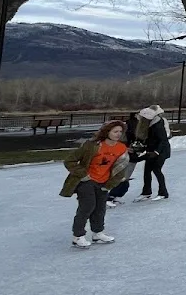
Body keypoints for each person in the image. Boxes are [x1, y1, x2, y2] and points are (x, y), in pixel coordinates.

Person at [62, 120, 129, 248]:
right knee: (87, 207)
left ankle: (97, 233)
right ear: (107, 132)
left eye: (120, 131)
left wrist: (110, 184)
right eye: (115, 131)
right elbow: (69, 161)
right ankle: (78, 236)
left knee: (100, 209)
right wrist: (83, 174)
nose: (118, 134)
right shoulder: (92, 145)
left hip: (104, 183)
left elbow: (121, 169)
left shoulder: (121, 148)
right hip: (87, 181)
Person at [135, 105, 171, 200]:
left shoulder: (158, 125)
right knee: (147, 171)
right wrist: (141, 147)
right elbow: (148, 139)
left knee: (156, 169)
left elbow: (163, 140)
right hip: (151, 150)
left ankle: (163, 193)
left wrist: (156, 152)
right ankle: (146, 192)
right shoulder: (147, 124)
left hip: (161, 151)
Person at [106, 112, 141, 207]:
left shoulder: (135, 125)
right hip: (127, 155)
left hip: (130, 154)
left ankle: (116, 196)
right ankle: (110, 197)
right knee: (123, 178)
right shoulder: (132, 126)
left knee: (125, 178)